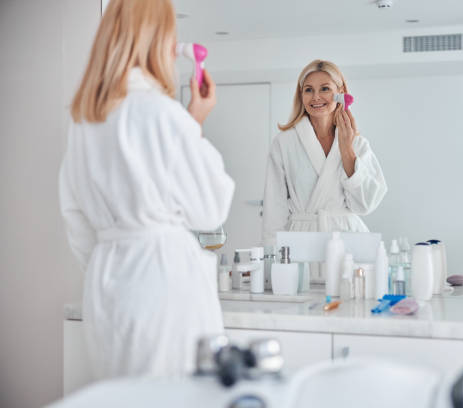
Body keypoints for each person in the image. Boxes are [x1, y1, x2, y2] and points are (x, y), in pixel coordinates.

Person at [59, 0, 234, 378]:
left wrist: (114, 262)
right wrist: (195, 123)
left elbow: (74, 217)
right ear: (157, 40)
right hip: (162, 279)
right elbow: (211, 208)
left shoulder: (84, 120)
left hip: (105, 284)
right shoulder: (161, 113)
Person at [262, 60, 387, 247]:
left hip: (347, 241)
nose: (316, 97)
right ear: (301, 96)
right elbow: (274, 209)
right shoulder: (284, 143)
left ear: (340, 92)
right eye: (308, 90)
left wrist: (347, 150)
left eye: (325, 89)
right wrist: (270, 259)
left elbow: (366, 204)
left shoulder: (358, 144)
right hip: (301, 242)